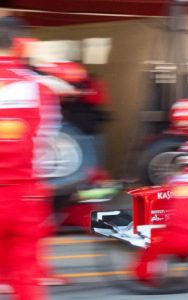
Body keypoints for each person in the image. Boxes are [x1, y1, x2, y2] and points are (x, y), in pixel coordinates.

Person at [0, 15, 61, 299]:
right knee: (26, 277)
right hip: (25, 194)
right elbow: (47, 140)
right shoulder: (41, 87)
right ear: (21, 44)